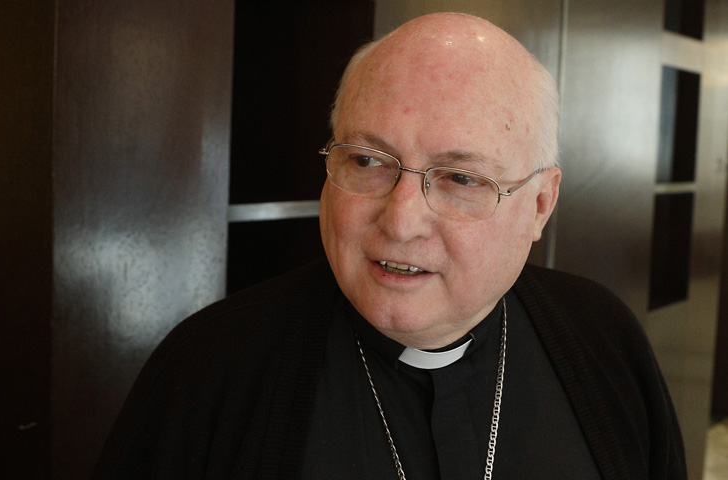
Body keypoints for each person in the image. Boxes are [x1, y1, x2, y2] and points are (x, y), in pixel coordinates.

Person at [93, 12, 686, 479]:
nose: (401, 221)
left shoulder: (603, 342)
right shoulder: (208, 370)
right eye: (369, 161)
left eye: (460, 178)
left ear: (539, 205)